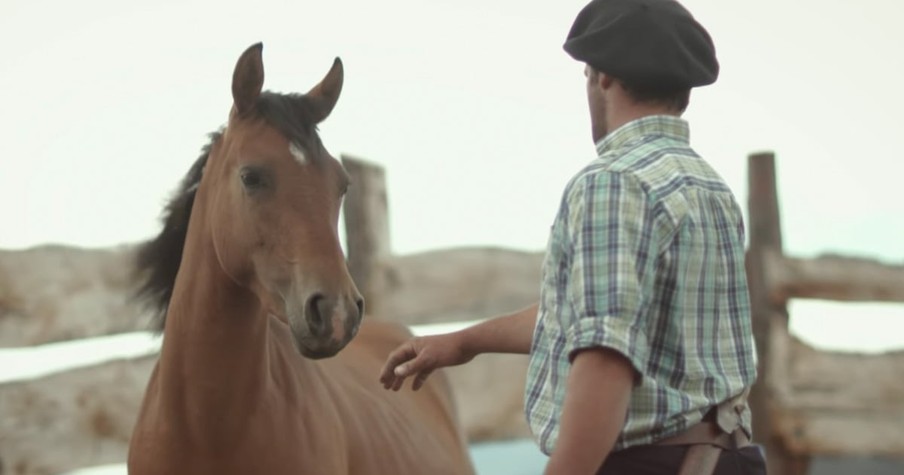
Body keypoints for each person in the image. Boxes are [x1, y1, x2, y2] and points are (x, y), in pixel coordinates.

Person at [379, 0, 765, 473]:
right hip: (730, 459)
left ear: (602, 75)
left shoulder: (612, 182)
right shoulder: (710, 188)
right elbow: (600, 316)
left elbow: (605, 355)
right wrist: (464, 342)